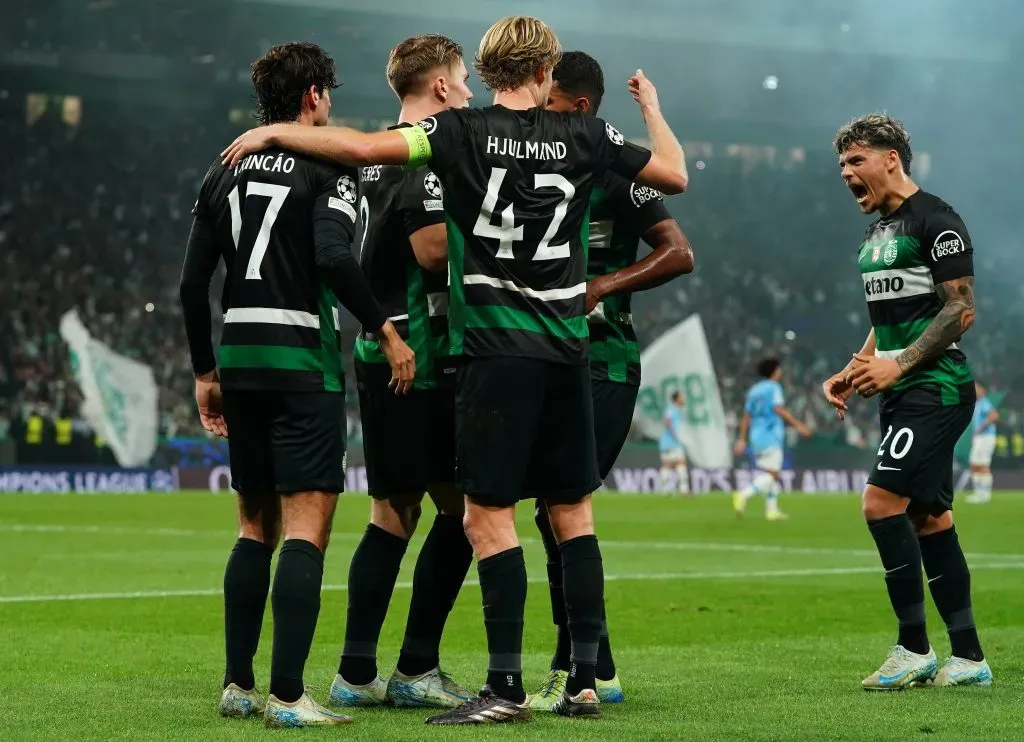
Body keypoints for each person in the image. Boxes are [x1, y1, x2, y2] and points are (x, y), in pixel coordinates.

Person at [220, 15, 687, 724]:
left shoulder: (459, 132)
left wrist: (274, 133)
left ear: (490, 71)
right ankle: (585, 681)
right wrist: (651, 107)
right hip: (569, 348)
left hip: (494, 351)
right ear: (545, 71)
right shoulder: (587, 134)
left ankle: (501, 687)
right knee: (573, 512)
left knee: (482, 516)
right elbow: (674, 175)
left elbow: (362, 147)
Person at [179, 42, 414, 728]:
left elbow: (192, 285)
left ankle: (237, 684)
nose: (330, 104)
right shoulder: (329, 166)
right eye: (328, 94)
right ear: (313, 96)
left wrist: (204, 372)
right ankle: (287, 696)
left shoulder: (223, 168)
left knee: (254, 526)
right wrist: (383, 329)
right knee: (308, 528)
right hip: (301, 362)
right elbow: (334, 256)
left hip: (240, 360)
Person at [530, 49, 694, 709]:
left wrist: (603, 285)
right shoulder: (538, 167)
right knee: (552, 511)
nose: (539, 117)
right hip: (549, 359)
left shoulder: (614, 173)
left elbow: (679, 252)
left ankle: (578, 669)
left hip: (605, 362)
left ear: (578, 107)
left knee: (562, 506)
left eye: (549, 106)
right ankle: (595, 665)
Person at [329, 33, 476, 711]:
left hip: (378, 348)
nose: (469, 93)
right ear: (440, 86)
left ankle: (356, 672)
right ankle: (415, 667)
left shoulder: (372, 159)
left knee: (394, 510)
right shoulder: (422, 154)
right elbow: (432, 249)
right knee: (466, 511)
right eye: (464, 80)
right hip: (421, 356)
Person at [821, 114, 991, 689]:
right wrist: (857, 365)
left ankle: (913, 647)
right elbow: (890, 319)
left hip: (935, 388)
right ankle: (968, 658)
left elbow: (960, 310)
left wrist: (899, 364)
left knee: (879, 503)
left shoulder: (937, 221)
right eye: (842, 164)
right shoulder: (875, 237)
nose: (846, 173)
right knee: (930, 518)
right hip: (901, 389)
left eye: (856, 160)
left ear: (890, 158)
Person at [732, 357, 811, 520]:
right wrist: (799, 426)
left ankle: (771, 511)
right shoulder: (774, 387)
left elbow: (746, 417)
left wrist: (742, 439)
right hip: (770, 435)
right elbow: (779, 409)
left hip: (756, 436)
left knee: (770, 473)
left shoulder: (753, 391)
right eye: (779, 369)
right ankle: (743, 494)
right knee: (773, 475)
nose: (780, 372)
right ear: (774, 371)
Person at [965, 381, 998, 504]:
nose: (974, 391)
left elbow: (994, 415)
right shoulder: (978, 403)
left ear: (983, 390)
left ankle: (985, 494)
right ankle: (978, 492)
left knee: (982, 465)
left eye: (977, 388)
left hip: (986, 437)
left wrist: (982, 426)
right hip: (979, 438)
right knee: (974, 464)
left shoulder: (985, 402)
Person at [658, 391, 690, 495]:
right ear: (676, 399)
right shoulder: (672, 409)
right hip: (672, 442)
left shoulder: (676, 409)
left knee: (667, 465)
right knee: (680, 463)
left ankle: (664, 490)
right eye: (681, 397)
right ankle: (684, 489)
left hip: (667, 443)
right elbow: (666, 421)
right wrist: (675, 435)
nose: (683, 399)